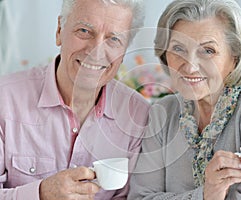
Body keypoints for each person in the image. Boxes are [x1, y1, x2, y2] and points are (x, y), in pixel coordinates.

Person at [128, 0, 241, 199]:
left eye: (208, 50)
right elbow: (140, 197)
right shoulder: (163, 112)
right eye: (178, 49)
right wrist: (205, 195)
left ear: (235, 56)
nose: (190, 67)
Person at [0, 0, 149, 199]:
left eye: (114, 39)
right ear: (59, 31)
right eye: (84, 31)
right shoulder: (4, 99)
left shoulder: (137, 113)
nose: (96, 51)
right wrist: (41, 194)